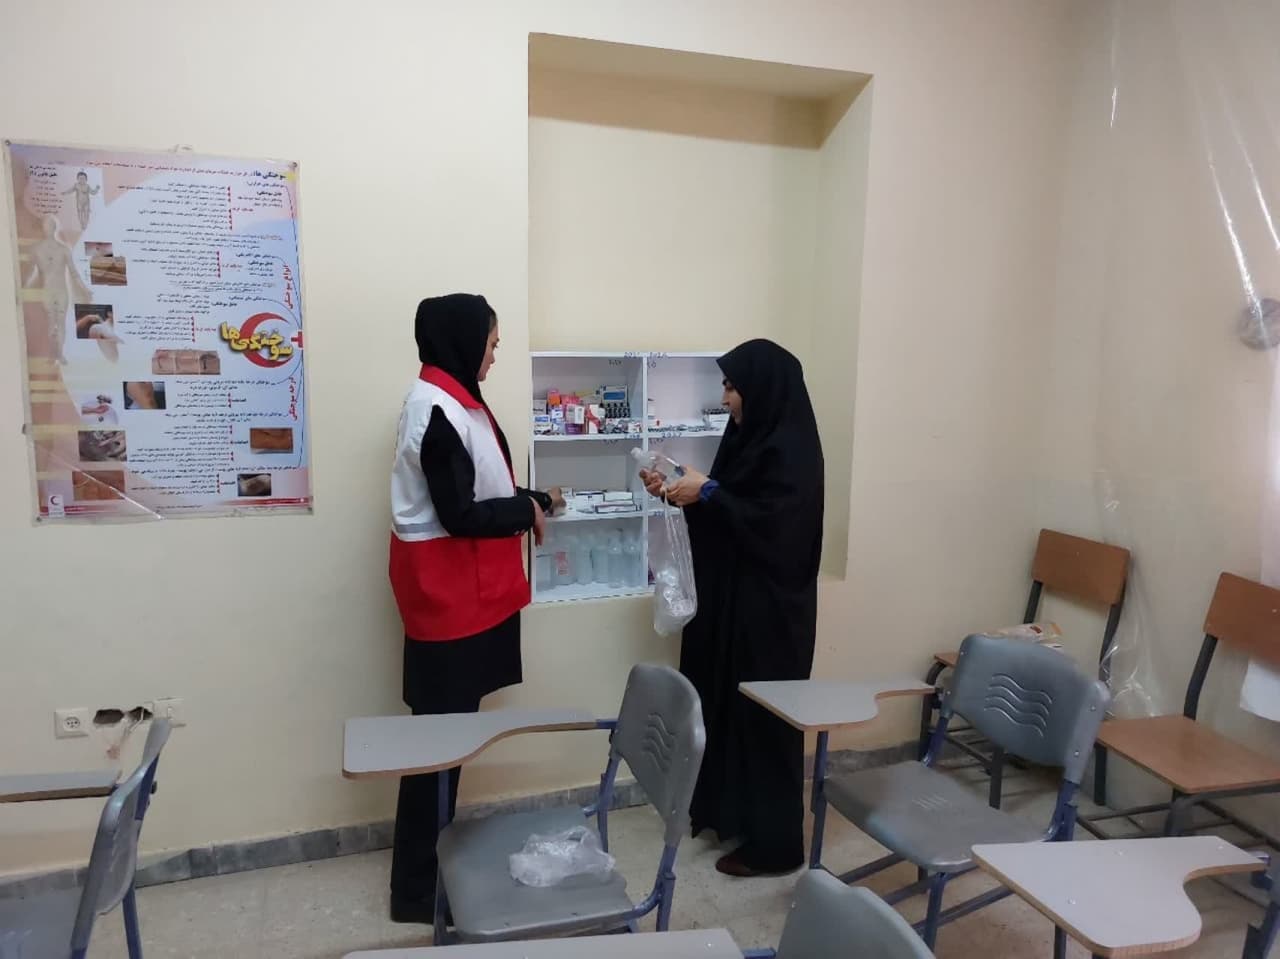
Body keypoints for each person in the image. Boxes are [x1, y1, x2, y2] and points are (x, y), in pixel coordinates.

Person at [386, 293, 562, 923]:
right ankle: (414, 892)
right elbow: (459, 514)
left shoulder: (455, 401)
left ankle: (429, 871)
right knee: (436, 750)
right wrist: (524, 509)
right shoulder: (436, 410)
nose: (495, 352)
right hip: (447, 602)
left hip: (461, 599)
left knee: (447, 743)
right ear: (464, 342)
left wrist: (535, 499)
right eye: (491, 342)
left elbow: (476, 484)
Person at [639, 339, 824, 877]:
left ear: (762, 389)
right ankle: (736, 819)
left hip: (771, 618)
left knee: (765, 721)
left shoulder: (792, 451)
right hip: (733, 608)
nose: (725, 399)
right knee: (727, 710)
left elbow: (778, 531)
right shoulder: (748, 439)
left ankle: (778, 846)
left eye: (732, 387)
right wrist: (677, 492)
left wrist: (711, 494)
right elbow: (730, 513)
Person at [24, 215, 90, 365]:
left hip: (59, 291)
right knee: (53, 323)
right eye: (46, 225)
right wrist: (23, 286)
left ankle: (59, 354)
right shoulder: (38, 249)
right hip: (51, 291)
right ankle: (55, 354)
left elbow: (73, 273)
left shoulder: (63, 249)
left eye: (50, 225)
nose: (48, 228)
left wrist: (85, 290)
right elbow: (32, 272)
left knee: (58, 323)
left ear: (54, 228)